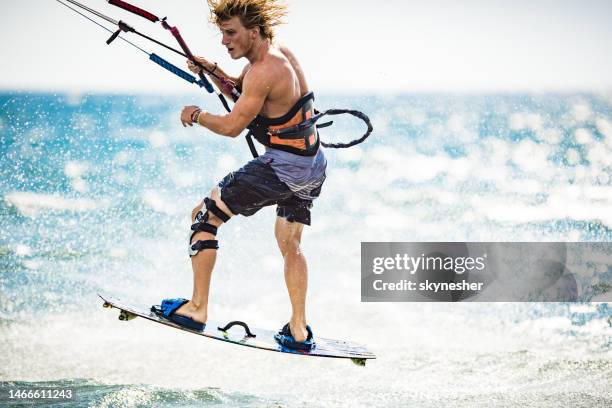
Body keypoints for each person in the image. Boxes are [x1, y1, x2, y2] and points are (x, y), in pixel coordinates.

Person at [154, 0, 325, 350]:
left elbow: (233, 126)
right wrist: (213, 69)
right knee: (291, 245)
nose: (224, 41)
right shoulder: (278, 56)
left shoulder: (263, 71)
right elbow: (246, 89)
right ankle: (298, 329)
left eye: (230, 33)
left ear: (254, 31)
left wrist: (197, 114)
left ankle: (196, 309)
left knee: (204, 217)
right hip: (313, 165)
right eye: (222, 34)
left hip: (282, 167)